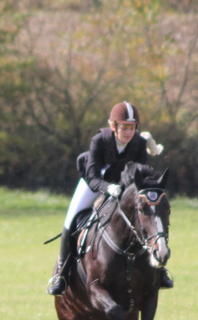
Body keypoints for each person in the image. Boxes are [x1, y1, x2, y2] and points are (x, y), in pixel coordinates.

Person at [47, 101, 171, 295]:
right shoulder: (100, 140)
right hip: (95, 183)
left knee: (146, 219)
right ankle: (61, 274)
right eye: (124, 128)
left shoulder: (138, 143)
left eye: (132, 128)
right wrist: (107, 188)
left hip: (124, 187)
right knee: (71, 220)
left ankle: (159, 269)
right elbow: (91, 176)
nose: (128, 132)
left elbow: (141, 174)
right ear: (113, 126)